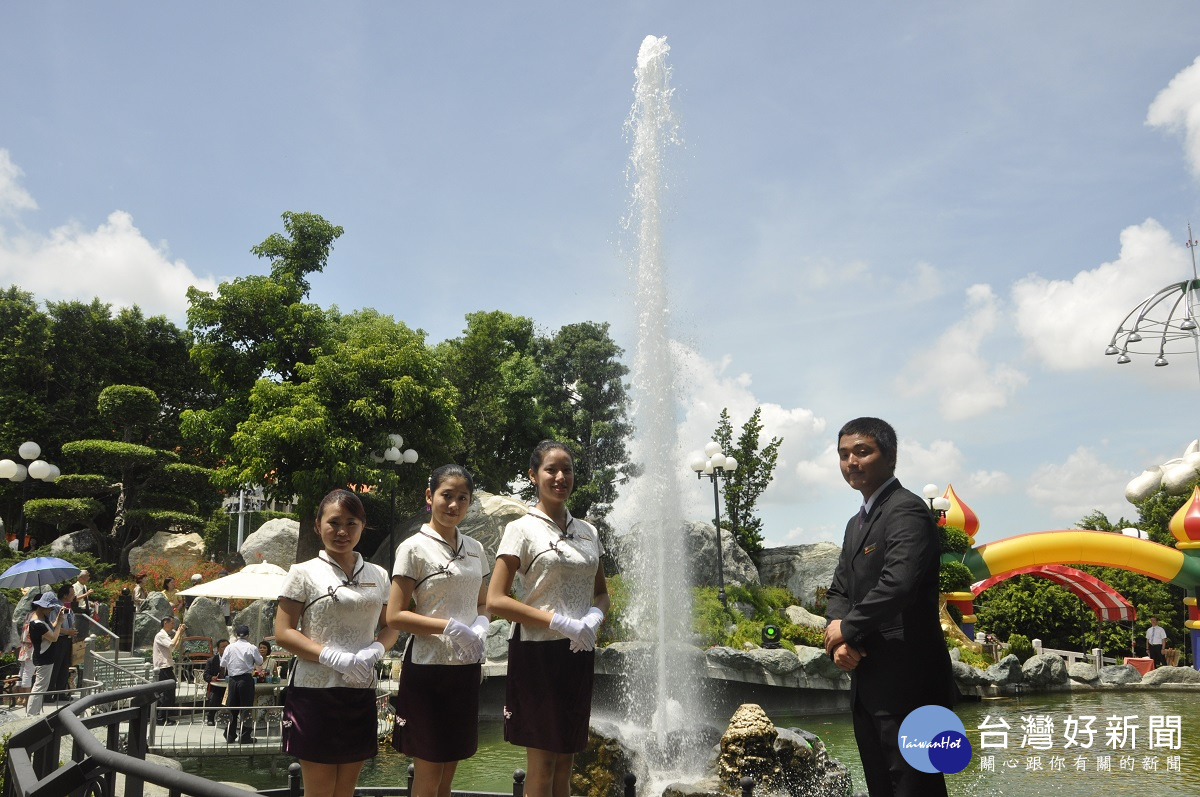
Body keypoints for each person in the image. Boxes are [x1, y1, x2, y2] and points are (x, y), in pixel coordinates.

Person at [823, 417, 954, 797]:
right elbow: (839, 590)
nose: (852, 461)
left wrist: (848, 629)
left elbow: (899, 585)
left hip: (909, 679)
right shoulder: (855, 524)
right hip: (868, 680)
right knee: (882, 785)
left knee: (916, 785)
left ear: (890, 456)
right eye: (844, 454)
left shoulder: (907, 510)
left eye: (863, 451)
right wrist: (838, 639)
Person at [486, 441, 608, 797]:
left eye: (567, 469)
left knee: (566, 762)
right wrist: (558, 621)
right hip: (538, 652)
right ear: (533, 476)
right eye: (551, 469)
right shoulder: (521, 529)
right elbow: (496, 599)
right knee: (541, 768)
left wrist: (593, 618)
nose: (560, 477)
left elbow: (601, 592)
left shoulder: (588, 530)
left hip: (578, 650)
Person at [275, 488, 398, 797]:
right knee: (318, 791)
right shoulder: (302, 573)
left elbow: (391, 625)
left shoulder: (379, 575)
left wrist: (375, 650)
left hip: (360, 689)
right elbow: (284, 631)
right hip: (315, 691)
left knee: (345, 790)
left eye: (351, 523)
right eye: (334, 522)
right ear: (318, 525)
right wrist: (331, 657)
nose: (342, 531)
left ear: (362, 525)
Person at [388, 465, 490, 797]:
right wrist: (449, 627)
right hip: (428, 668)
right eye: (447, 495)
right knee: (429, 770)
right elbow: (396, 615)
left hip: (465, 667)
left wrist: (481, 627)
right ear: (430, 496)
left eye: (463, 498)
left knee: (449, 770)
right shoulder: (413, 548)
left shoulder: (475, 549)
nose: (454, 504)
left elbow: (484, 603)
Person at [220, 625, 262, 743]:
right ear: (248, 635)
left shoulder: (229, 647)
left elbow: (223, 663)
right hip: (245, 679)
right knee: (246, 708)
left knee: (232, 707)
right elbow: (259, 661)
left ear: (236, 635)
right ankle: (245, 736)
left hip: (232, 680)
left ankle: (229, 734)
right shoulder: (251, 647)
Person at [26, 592, 63, 716]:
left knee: (41, 686)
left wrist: (58, 620)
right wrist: (60, 623)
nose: (51, 609)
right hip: (43, 657)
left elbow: (50, 628)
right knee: (39, 687)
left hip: (45, 656)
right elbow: (53, 637)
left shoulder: (41, 620)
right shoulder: (37, 623)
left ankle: (34, 712)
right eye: (50, 607)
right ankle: (31, 714)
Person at [152, 616, 187, 725]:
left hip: (166, 667)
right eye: (172, 623)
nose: (173, 625)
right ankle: (161, 718)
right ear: (165, 623)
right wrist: (179, 631)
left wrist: (180, 634)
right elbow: (172, 644)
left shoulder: (165, 636)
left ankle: (166, 717)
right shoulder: (160, 635)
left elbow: (174, 647)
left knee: (170, 693)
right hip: (163, 668)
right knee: (166, 694)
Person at [48, 584, 78, 701]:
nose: (74, 595)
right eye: (71, 593)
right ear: (65, 595)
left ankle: (61, 692)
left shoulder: (68, 607)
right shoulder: (56, 608)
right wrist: (67, 631)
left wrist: (72, 631)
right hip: (58, 639)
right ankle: (49, 693)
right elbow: (52, 625)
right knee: (56, 667)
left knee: (64, 667)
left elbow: (72, 620)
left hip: (67, 640)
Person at [203, 638, 229, 726]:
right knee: (214, 697)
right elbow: (205, 675)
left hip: (229, 686)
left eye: (227, 646)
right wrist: (212, 677)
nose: (225, 649)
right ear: (218, 649)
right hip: (216, 686)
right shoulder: (211, 660)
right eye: (223, 647)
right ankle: (210, 717)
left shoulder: (233, 659)